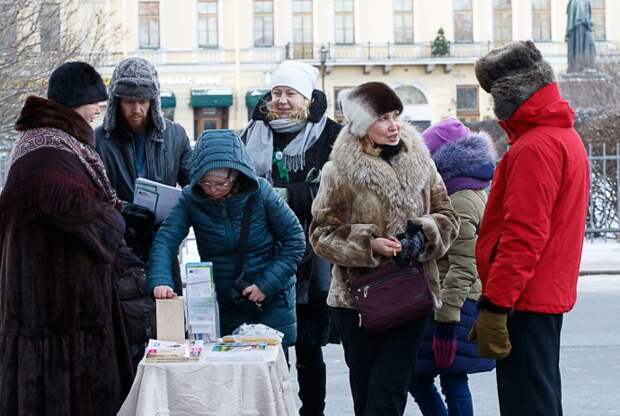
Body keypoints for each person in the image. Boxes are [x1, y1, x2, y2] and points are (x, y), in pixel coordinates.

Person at [310, 82, 459, 416]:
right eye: (382, 118)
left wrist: (424, 235)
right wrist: (368, 243)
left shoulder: (422, 161)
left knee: (388, 393)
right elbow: (321, 234)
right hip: (356, 302)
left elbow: (448, 216)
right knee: (366, 394)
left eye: (395, 116)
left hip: (411, 293)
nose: (393, 126)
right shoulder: (338, 171)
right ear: (363, 125)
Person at [0, 62, 133, 415]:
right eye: (95, 104)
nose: (97, 112)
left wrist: (118, 207)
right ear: (77, 100)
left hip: (52, 302)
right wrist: (116, 219)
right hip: (59, 308)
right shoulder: (49, 150)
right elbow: (77, 207)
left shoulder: (46, 141)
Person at [470, 41, 590, 416]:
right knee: (539, 395)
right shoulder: (560, 138)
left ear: (509, 94)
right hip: (540, 293)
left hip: (524, 297)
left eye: (493, 95)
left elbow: (523, 236)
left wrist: (496, 305)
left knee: (528, 403)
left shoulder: (535, 147)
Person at [242, 60, 341, 416]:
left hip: (313, 257)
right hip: (265, 253)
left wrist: (286, 195)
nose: (282, 101)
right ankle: (277, 409)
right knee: (271, 343)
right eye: (277, 93)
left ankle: (313, 411)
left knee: (310, 347)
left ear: (308, 97)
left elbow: (336, 189)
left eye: (291, 94)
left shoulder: (331, 135)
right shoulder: (251, 132)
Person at [146, 129, 305, 348]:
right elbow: (166, 239)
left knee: (269, 374)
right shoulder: (191, 198)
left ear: (237, 174)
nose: (212, 190)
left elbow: (295, 240)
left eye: (221, 183)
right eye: (206, 183)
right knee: (231, 374)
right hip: (227, 301)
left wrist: (265, 285)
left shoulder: (261, 193)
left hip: (270, 300)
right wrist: (161, 280)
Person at [409, 118, 496, 416]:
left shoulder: (460, 199)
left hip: (452, 304)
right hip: (443, 300)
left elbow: (464, 264)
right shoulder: (459, 192)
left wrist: (447, 319)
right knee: (434, 377)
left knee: (448, 378)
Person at [95, 57, 192, 263]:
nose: (137, 109)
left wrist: (175, 227)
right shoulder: (98, 140)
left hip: (163, 247)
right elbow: (90, 198)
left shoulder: (176, 135)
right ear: (116, 102)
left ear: (153, 102)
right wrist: (121, 212)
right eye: (129, 102)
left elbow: (194, 188)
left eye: (143, 101)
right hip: (116, 251)